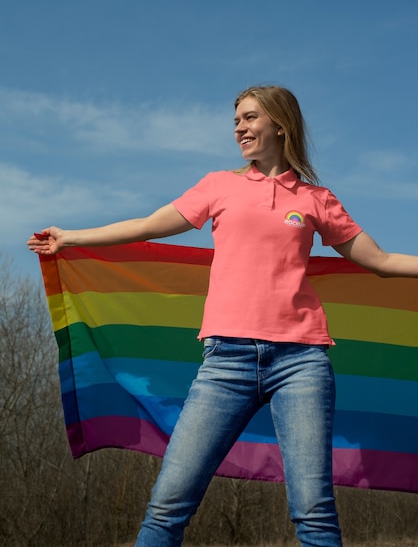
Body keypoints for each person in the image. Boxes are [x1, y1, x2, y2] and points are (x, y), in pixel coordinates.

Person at [27, 85, 418, 547]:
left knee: (314, 512)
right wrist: (71, 237)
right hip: (225, 363)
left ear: (280, 125)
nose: (239, 128)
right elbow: (149, 224)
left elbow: (380, 260)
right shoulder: (219, 186)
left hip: (301, 363)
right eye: (236, 121)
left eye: (250, 118)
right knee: (167, 504)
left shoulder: (316, 199)